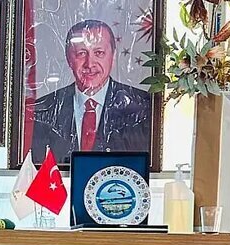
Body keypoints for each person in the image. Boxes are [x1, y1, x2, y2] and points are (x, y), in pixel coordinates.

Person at [30, 19, 151, 162]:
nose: (89, 64)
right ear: (69, 59)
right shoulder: (42, 110)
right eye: (81, 53)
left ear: (113, 57)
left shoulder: (143, 107)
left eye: (99, 53)